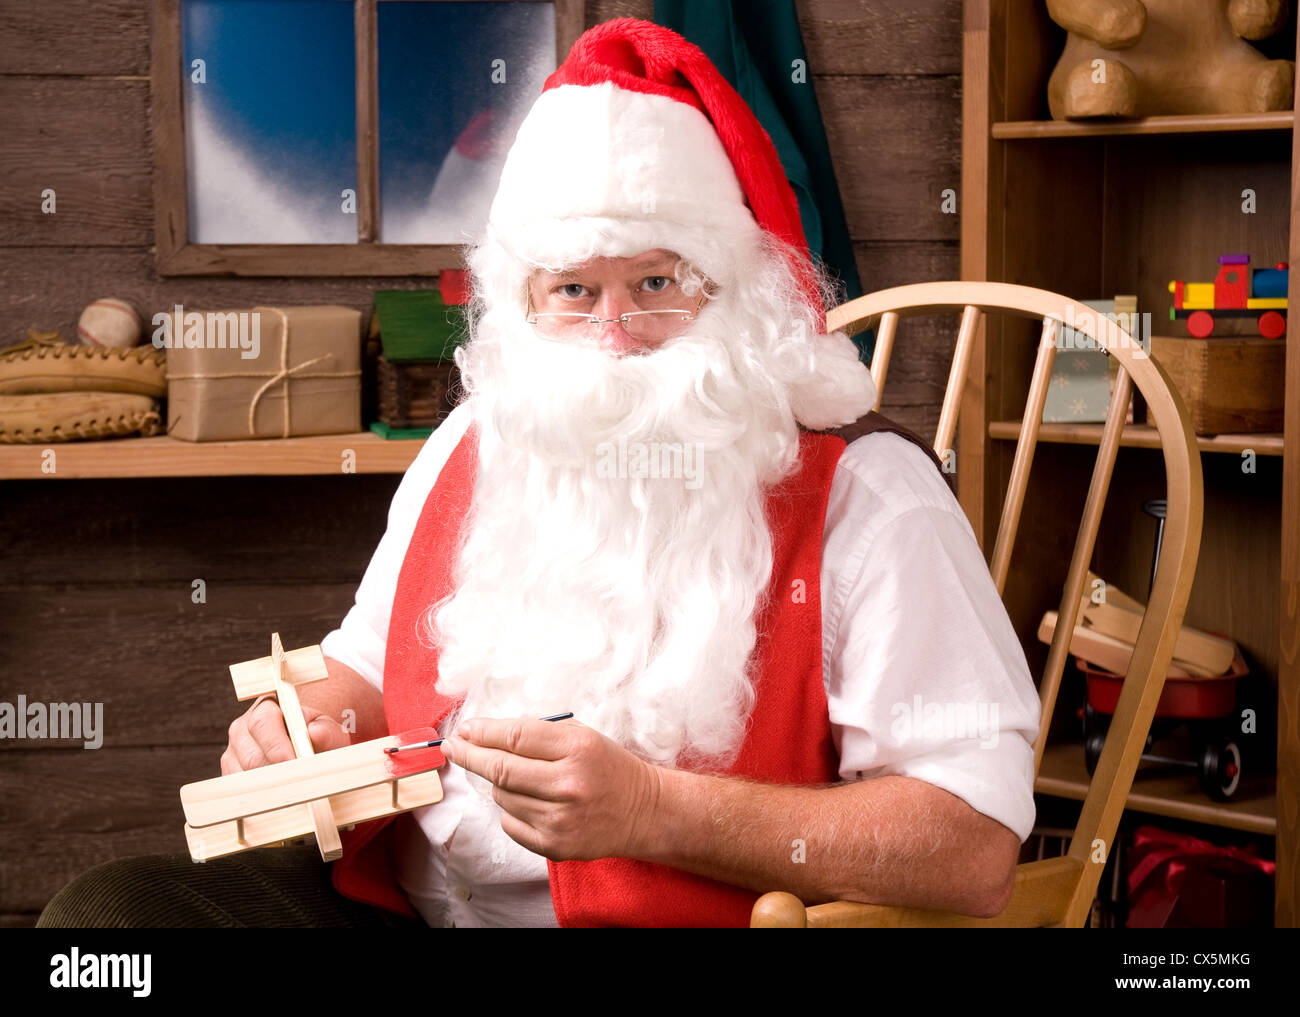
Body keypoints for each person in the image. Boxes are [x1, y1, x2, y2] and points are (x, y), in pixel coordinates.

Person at [38, 17, 1039, 929]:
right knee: (111, 920)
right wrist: (302, 724)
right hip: (406, 907)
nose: (612, 334)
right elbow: (368, 670)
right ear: (524, 303)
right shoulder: (470, 447)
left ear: (736, 291)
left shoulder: (873, 501)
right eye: (573, 290)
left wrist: (655, 810)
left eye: (656, 282)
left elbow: (972, 849)